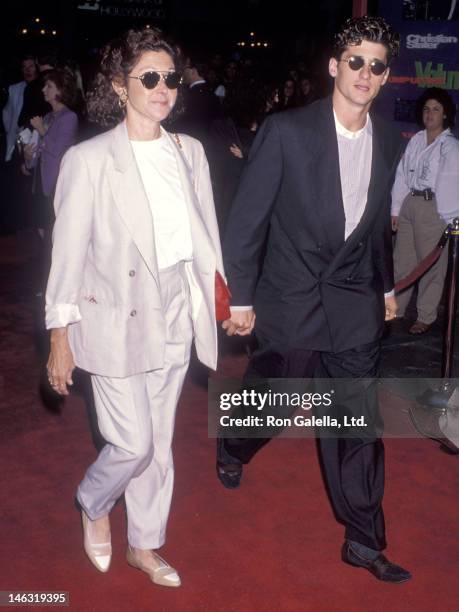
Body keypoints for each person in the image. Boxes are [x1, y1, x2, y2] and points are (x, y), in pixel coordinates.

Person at [218, 16, 412, 583]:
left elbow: (375, 226)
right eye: (356, 61)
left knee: (357, 422)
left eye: (377, 66)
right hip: (292, 296)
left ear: (384, 78)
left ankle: (363, 538)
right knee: (276, 396)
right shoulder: (286, 131)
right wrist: (242, 296)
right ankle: (234, 445)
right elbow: (247, 220)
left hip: (353, 302)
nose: (365, 73)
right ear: (334, 65)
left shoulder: (390, 140)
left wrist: (385, 286)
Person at [45, 27, 224, 587]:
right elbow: (67, 257)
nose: (162, 87)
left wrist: (223, 301)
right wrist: (59, 336)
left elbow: (207, 239)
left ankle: (144, 545)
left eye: (169, 78)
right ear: (120, 87)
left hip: (174, 308)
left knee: (160, 443)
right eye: (149, 77)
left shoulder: (189, 153)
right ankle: (93, 500)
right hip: (115, 316)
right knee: (133, 442)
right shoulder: (89, 159)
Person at [391, 88, 459, 334]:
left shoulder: (450, 146)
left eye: (436, 109)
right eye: (426, 109)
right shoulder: (417, 140)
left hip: (434, 208)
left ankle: (426, 316)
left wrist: (450, 219)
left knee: (431, 266)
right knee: (402, 261)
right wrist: (396, 209)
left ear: (445, 115)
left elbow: (453, 183)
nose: (430, 114)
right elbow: (402, 175)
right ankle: (395, 309)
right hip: (410, 202)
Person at [24, 69, 78, 236]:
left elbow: (57, 149)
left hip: (56, 180)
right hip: (41, 180)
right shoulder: (47, 117)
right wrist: (28, 157)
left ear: (60, 91)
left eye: (49, 86)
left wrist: (41, 131)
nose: (43, 90)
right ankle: (45, 259)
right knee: (41, 225)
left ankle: (52, 261)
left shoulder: (69, 117)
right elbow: (40, 150)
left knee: (55, 230)